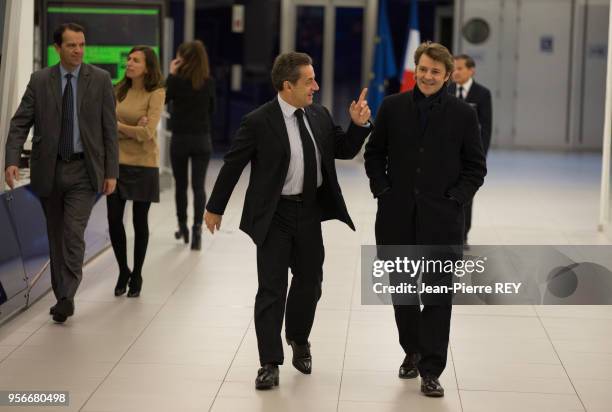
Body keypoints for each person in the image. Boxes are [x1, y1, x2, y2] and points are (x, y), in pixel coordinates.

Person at [204, 52, 371, 390]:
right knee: (272, 288)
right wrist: (214, 207)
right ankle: (269, 361)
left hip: (309, 212)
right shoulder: (258, 121)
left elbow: (341, 149)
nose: (316, 86)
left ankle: (298, 337)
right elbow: (233, 165)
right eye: (309, 81)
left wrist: (357, 125)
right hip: (274, 215)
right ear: (287, 86)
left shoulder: (319, 115)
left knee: (311, 282)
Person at [364, 42, 486, 397]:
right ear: (415, 70)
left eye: (435, 71)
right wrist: (382, 189)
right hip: (396, 216)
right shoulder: (392, 107)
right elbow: (375, 154)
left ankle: (431, 368)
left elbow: (475, 168)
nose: (428, 76)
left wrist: (455, 200)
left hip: (442, 220)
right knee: (403, 293)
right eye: (423, 69)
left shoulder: (464, 114)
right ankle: (412, 351)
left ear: (447, 76)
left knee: (436, 297)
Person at [4, 23, 118, 323]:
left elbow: (110, 131)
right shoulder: (40, 80)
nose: (78, 50)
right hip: (49, 171)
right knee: (55, 234)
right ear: (57, 48)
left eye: (81, 44)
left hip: (84, 170)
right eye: (71, 45)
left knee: (72, 233)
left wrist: (111, 171)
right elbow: (20, 123)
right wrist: (11, 159)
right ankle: (62, 294)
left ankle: (67, 296)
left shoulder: (101, 80)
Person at [107, 46, 165, 298]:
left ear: (148, 67)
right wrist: (133, 127)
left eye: (135, 60)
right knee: (113, 220)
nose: (129, 63)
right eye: (128, 59)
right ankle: (123, 270)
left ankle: (137, 274)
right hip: (115, 163)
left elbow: (147, 133)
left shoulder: (156, 93)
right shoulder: (117, 90)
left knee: (139, 223)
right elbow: (104, 125)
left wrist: (118, 125)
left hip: (144, 165)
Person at [166, 40, 216, 250]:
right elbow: (212, 109)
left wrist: (171, 73)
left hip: (180, 139)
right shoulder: (208, 82)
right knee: (198, 186)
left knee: (180, 185)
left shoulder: (176, 81)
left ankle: (182, 226)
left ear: (182, 59)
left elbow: (164, 98)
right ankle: (197, 230)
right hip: (201, 139)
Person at [448, 54, 492, 248]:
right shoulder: (446, 90)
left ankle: (463, 235)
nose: (455, 72)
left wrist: (480, 156)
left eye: (459, 68)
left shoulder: (482, 94)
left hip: (469, 154)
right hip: (447, 153)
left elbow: (486, 127)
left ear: (471, 70)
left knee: (466, 195)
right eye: (453, 69)